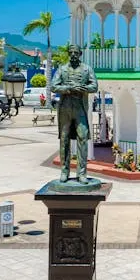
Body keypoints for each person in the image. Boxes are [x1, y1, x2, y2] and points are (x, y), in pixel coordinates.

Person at [50, 44, 98, 183]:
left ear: (80, 54)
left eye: (75, 52)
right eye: (70, 52)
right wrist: (68, 88)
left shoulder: (87, 69)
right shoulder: (62, 69)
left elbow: (94, 86)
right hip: (65, 108)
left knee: (82, 138)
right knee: (64, 140)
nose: (73, 55)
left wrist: (82, 88)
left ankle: (81, 173)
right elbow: (53, 86)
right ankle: (64, 171)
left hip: (80, 108)